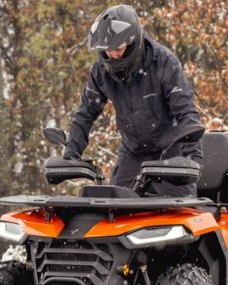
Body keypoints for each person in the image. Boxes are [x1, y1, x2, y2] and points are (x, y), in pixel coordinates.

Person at [63, 4, 205, 196]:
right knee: (114, 208)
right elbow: (86, 113)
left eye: (118, 48)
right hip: (132, 154)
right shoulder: (101, 71)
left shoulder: (163, 62)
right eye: (107, 50)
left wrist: (191, 158)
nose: (112, 55)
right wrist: (72, 153)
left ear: (133, 42)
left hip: (170, 153)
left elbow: (186, 112)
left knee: (183, 212)